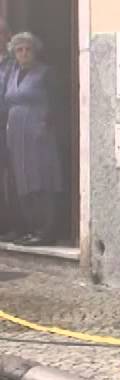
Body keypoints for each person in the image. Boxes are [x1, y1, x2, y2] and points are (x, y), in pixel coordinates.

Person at [5, 32, 61, 246]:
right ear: (15, 53)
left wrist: (46, 125)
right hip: (16, 136)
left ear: (35, 51)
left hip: (39, 134)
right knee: (22, 182)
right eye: (20, 50)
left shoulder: (45, 73)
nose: (24, 53)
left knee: (42, 181)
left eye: (28, 49)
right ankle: (31, 229)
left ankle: (46, 231)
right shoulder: (12, 74)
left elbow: (57, 103)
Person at [0, 21, 20, 242]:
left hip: (9, 121)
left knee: (14, 175)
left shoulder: (15, 62)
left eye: (1, 33)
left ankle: (16, 224)